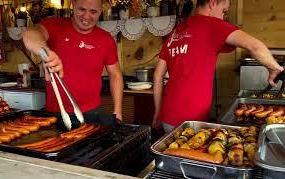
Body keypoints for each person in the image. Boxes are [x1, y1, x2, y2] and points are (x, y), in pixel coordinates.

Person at [152, 0, 284, 133]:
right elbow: (255, 46)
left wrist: (157, 112)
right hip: (192, 120)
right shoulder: (213, 25)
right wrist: (275, 68)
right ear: (212, 3)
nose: (223, 17)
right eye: (224, 11)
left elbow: (158, 75)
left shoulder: (174, 34)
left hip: (167, 115)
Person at [22, 0, 124, 123]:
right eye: (82, 9)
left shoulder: (106, 39)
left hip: (93, 112)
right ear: (73, 5)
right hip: (56, 112)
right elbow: (30, 33)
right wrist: (45, 51)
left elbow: (115, 75)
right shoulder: (53, 25)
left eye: (93, 12)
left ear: (100, 11)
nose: (86, 16)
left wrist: (118, 111)